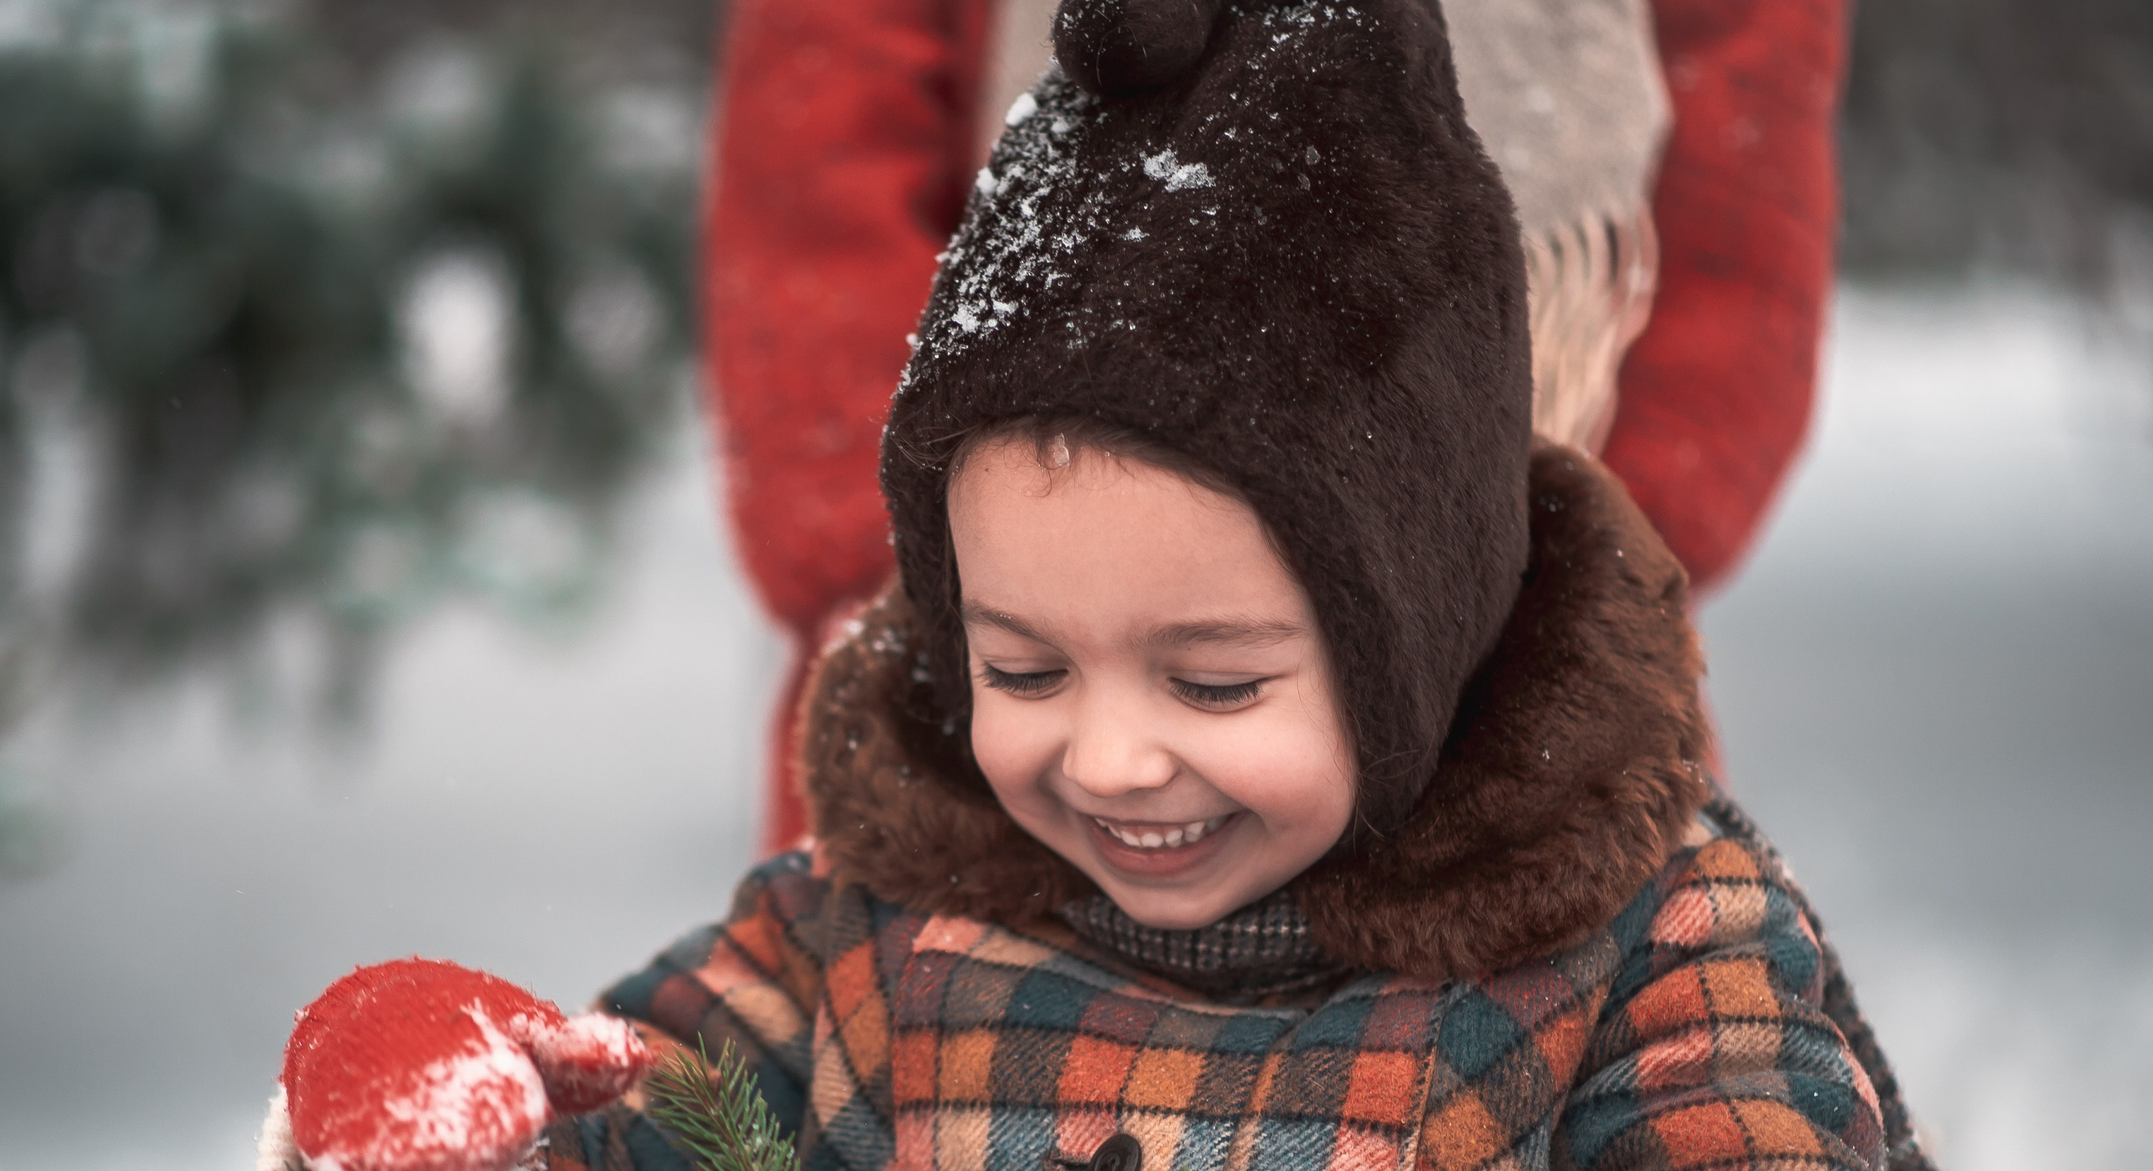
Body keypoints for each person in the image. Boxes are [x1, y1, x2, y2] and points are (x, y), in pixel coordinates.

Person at [268, 0, 1944, 1171]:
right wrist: (466, 1151)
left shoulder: (1632, 927)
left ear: (1426, 631)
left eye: (1214, 677)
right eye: (1023, 665)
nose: (1113, 753)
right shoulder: (885, 922)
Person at [704, 0, 1850, 848]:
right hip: (987, 581)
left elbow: (1741, 126)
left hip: (1524, 601)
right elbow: (823, 138)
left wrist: (1598, 538)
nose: (1119, 764)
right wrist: (920, 555)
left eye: (1212, 685)